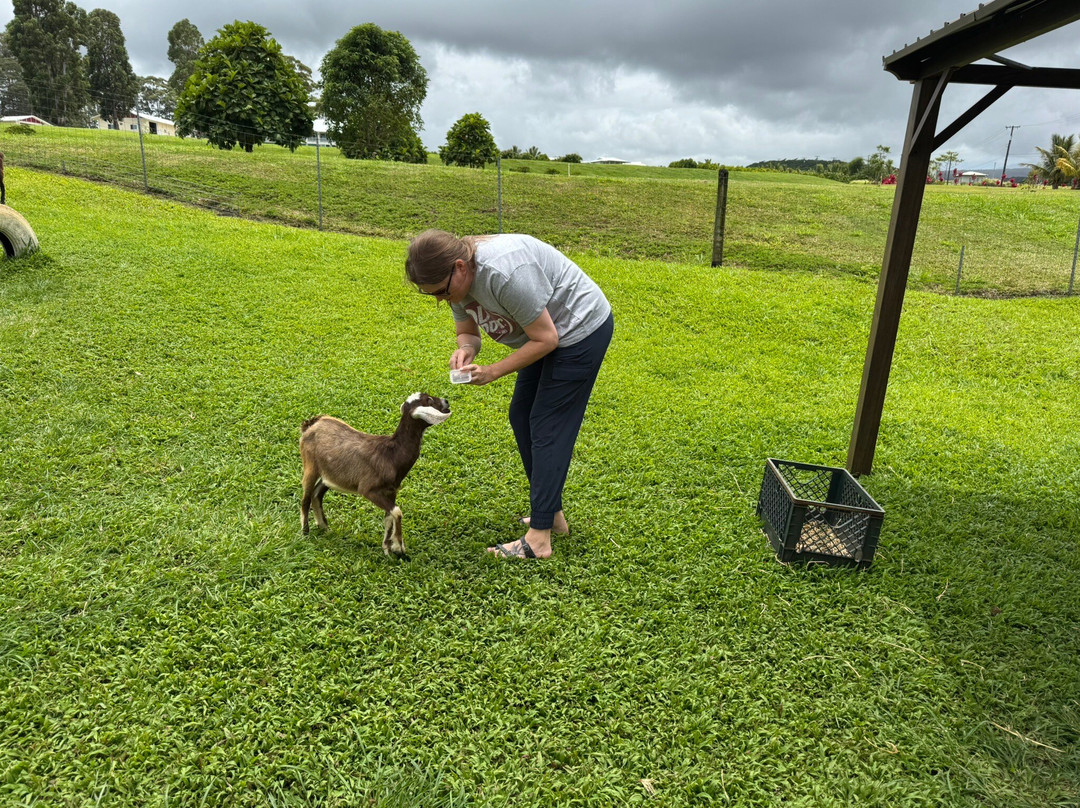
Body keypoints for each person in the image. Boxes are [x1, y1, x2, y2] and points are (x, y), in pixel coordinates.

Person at [406, 229, 613, 559]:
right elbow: (467, 333)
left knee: (547, 425)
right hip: (541, 338)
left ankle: (539, 539)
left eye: (441, 292)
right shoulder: (455, 286)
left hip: (579, 330)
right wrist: (466, 351)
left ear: (460, 266)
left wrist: (491, 372)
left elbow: (547, 339)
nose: (441, 300)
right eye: (433, 296)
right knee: (522, 415)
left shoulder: (503, 274)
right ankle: (552, 516)